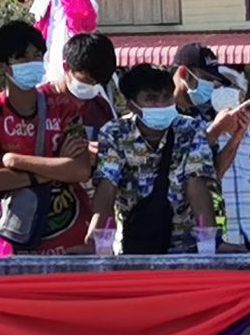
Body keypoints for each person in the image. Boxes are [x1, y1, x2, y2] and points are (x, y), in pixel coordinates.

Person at [0, 20, 95, 256]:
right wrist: (55, 167)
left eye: (37, 55)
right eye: (22, 58)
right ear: (1, 65)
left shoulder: (64, 107)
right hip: (14, 240)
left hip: (71, 239)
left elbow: (80, 171)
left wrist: (17, 162)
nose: (33, 63)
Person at [91, 63, 217, 255]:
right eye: (151, 99)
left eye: (166, 98)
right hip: (134, 245)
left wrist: (210, 246)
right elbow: (107, 186)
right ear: (131, 104)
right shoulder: (114, 133)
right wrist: (97, 238)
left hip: (185, 248)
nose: (161, 105)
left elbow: (196, 186)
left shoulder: (191, 130)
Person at [198, 64, 250, 252]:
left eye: (229, 86)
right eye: (217, 87)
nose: (221, 90)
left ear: (242, 95)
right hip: (218, 240)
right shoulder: (201, 134)